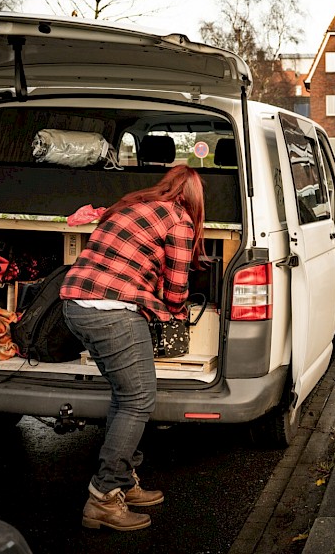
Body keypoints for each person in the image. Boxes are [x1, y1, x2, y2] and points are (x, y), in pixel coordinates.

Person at [60, 165, 206, 531]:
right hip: (111, 312)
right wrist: (175, 313)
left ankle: (124, 479)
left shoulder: (132, 205)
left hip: (75, 304)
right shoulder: (180, 221)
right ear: (195, 199)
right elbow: (176, 286)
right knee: (139, 400)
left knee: (125, 397)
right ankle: (104, 498)